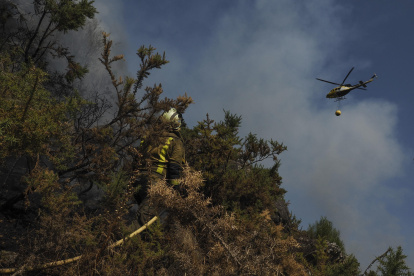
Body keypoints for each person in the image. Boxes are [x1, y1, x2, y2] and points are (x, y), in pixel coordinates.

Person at [134, 108, 186, 226]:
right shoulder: (175, 141)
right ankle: (131, 241)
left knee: (145, 215)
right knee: (144, 220)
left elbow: (136, 159)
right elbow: (174, 167)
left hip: (137, 182)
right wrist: (176, 189)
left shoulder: (149, 137)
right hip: (154, 183)